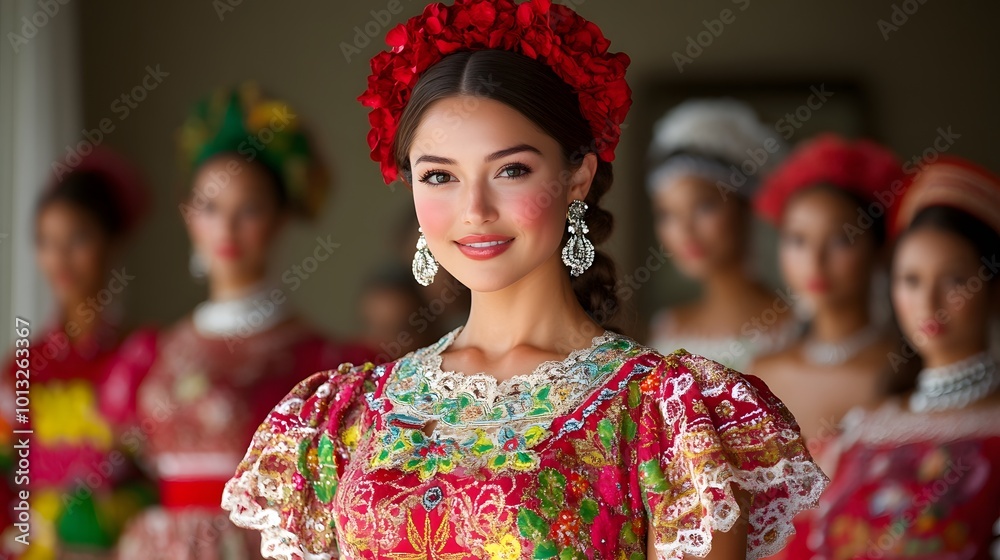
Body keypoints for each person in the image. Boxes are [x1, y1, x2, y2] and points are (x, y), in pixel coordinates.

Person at [222, 1, 827, 558]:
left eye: (510, 169)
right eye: (439, 176)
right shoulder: (343, 417)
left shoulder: (663, 415)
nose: (475, 210)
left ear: (578, 178)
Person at [116, 83, 375, 559]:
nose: (226, 228)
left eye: (249, 209)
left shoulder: (322, 363)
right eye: (210, 207)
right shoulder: (149, 353)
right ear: (188, 215)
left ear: (281, 218)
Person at [784, 156, 1000, 559]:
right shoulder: (862, 431)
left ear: (993, 289)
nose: (928, 302)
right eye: (911, 280)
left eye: (954, 280)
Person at [0, 149, 157, 559]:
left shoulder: (146, 358)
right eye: (46, 242)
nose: (60, 258)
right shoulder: (21, 367)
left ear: (113, 241)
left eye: (78, 238)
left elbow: (160, 475)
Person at [750, 134, 905, 448]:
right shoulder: (760, 374)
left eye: (840, 240)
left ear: (879, 250)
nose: (815, 261)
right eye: (798, 240)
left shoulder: (904, 371)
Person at [645, 99, 799, 372]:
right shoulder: (667, 327)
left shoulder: (794, 326)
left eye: (704, 206)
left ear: (746, 206)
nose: (684, 230)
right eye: (667, 214)